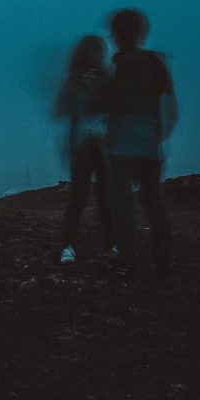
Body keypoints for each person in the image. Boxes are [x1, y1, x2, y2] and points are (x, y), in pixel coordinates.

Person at [106, 8, 177, 276]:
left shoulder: (116, 65)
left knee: (123, 203)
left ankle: (126, 254)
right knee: (153, 201)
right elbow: (169, 106)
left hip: (121, 145)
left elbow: (105, 105)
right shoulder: (155, 63)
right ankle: (163, 256)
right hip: (149, 145)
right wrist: (159, 136)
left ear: (118, 35)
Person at [54, 36, 113, 264]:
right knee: (85, 198)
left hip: (89, 145)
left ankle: (73, 247)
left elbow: (60, 109)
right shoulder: (91, 79)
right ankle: (74, 246)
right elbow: (61, 108)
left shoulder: (86, 79)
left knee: (92, 198)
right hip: (90, 145)